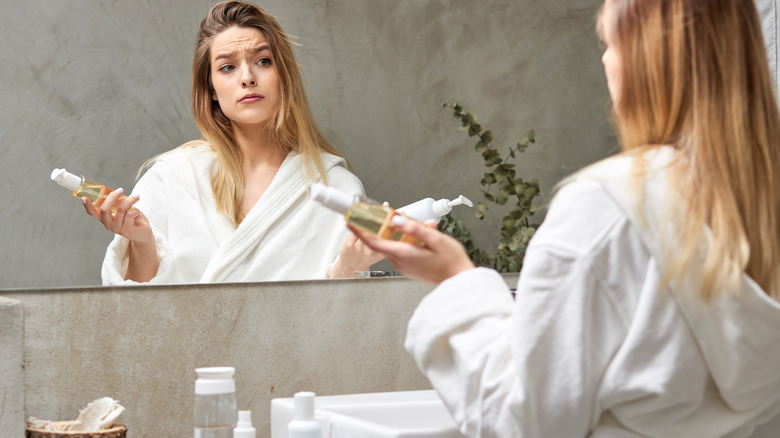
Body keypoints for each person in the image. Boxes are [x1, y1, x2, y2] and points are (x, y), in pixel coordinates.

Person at [353, 0, 780, 436]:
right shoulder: (761, 204)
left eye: (608, 43)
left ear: (649, 59)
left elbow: (523, 423)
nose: (604, 61)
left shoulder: (609, 205)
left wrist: (454, 278)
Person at [84, 1, 378, 284]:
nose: (248, 78)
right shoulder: (171, 179)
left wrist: (348, 267)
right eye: (228, 67)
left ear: (284, 75)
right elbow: (138, 310)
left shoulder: (337, 189)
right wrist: (141, 243)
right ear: (211, 88)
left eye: (263, 61)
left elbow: (347, 316)